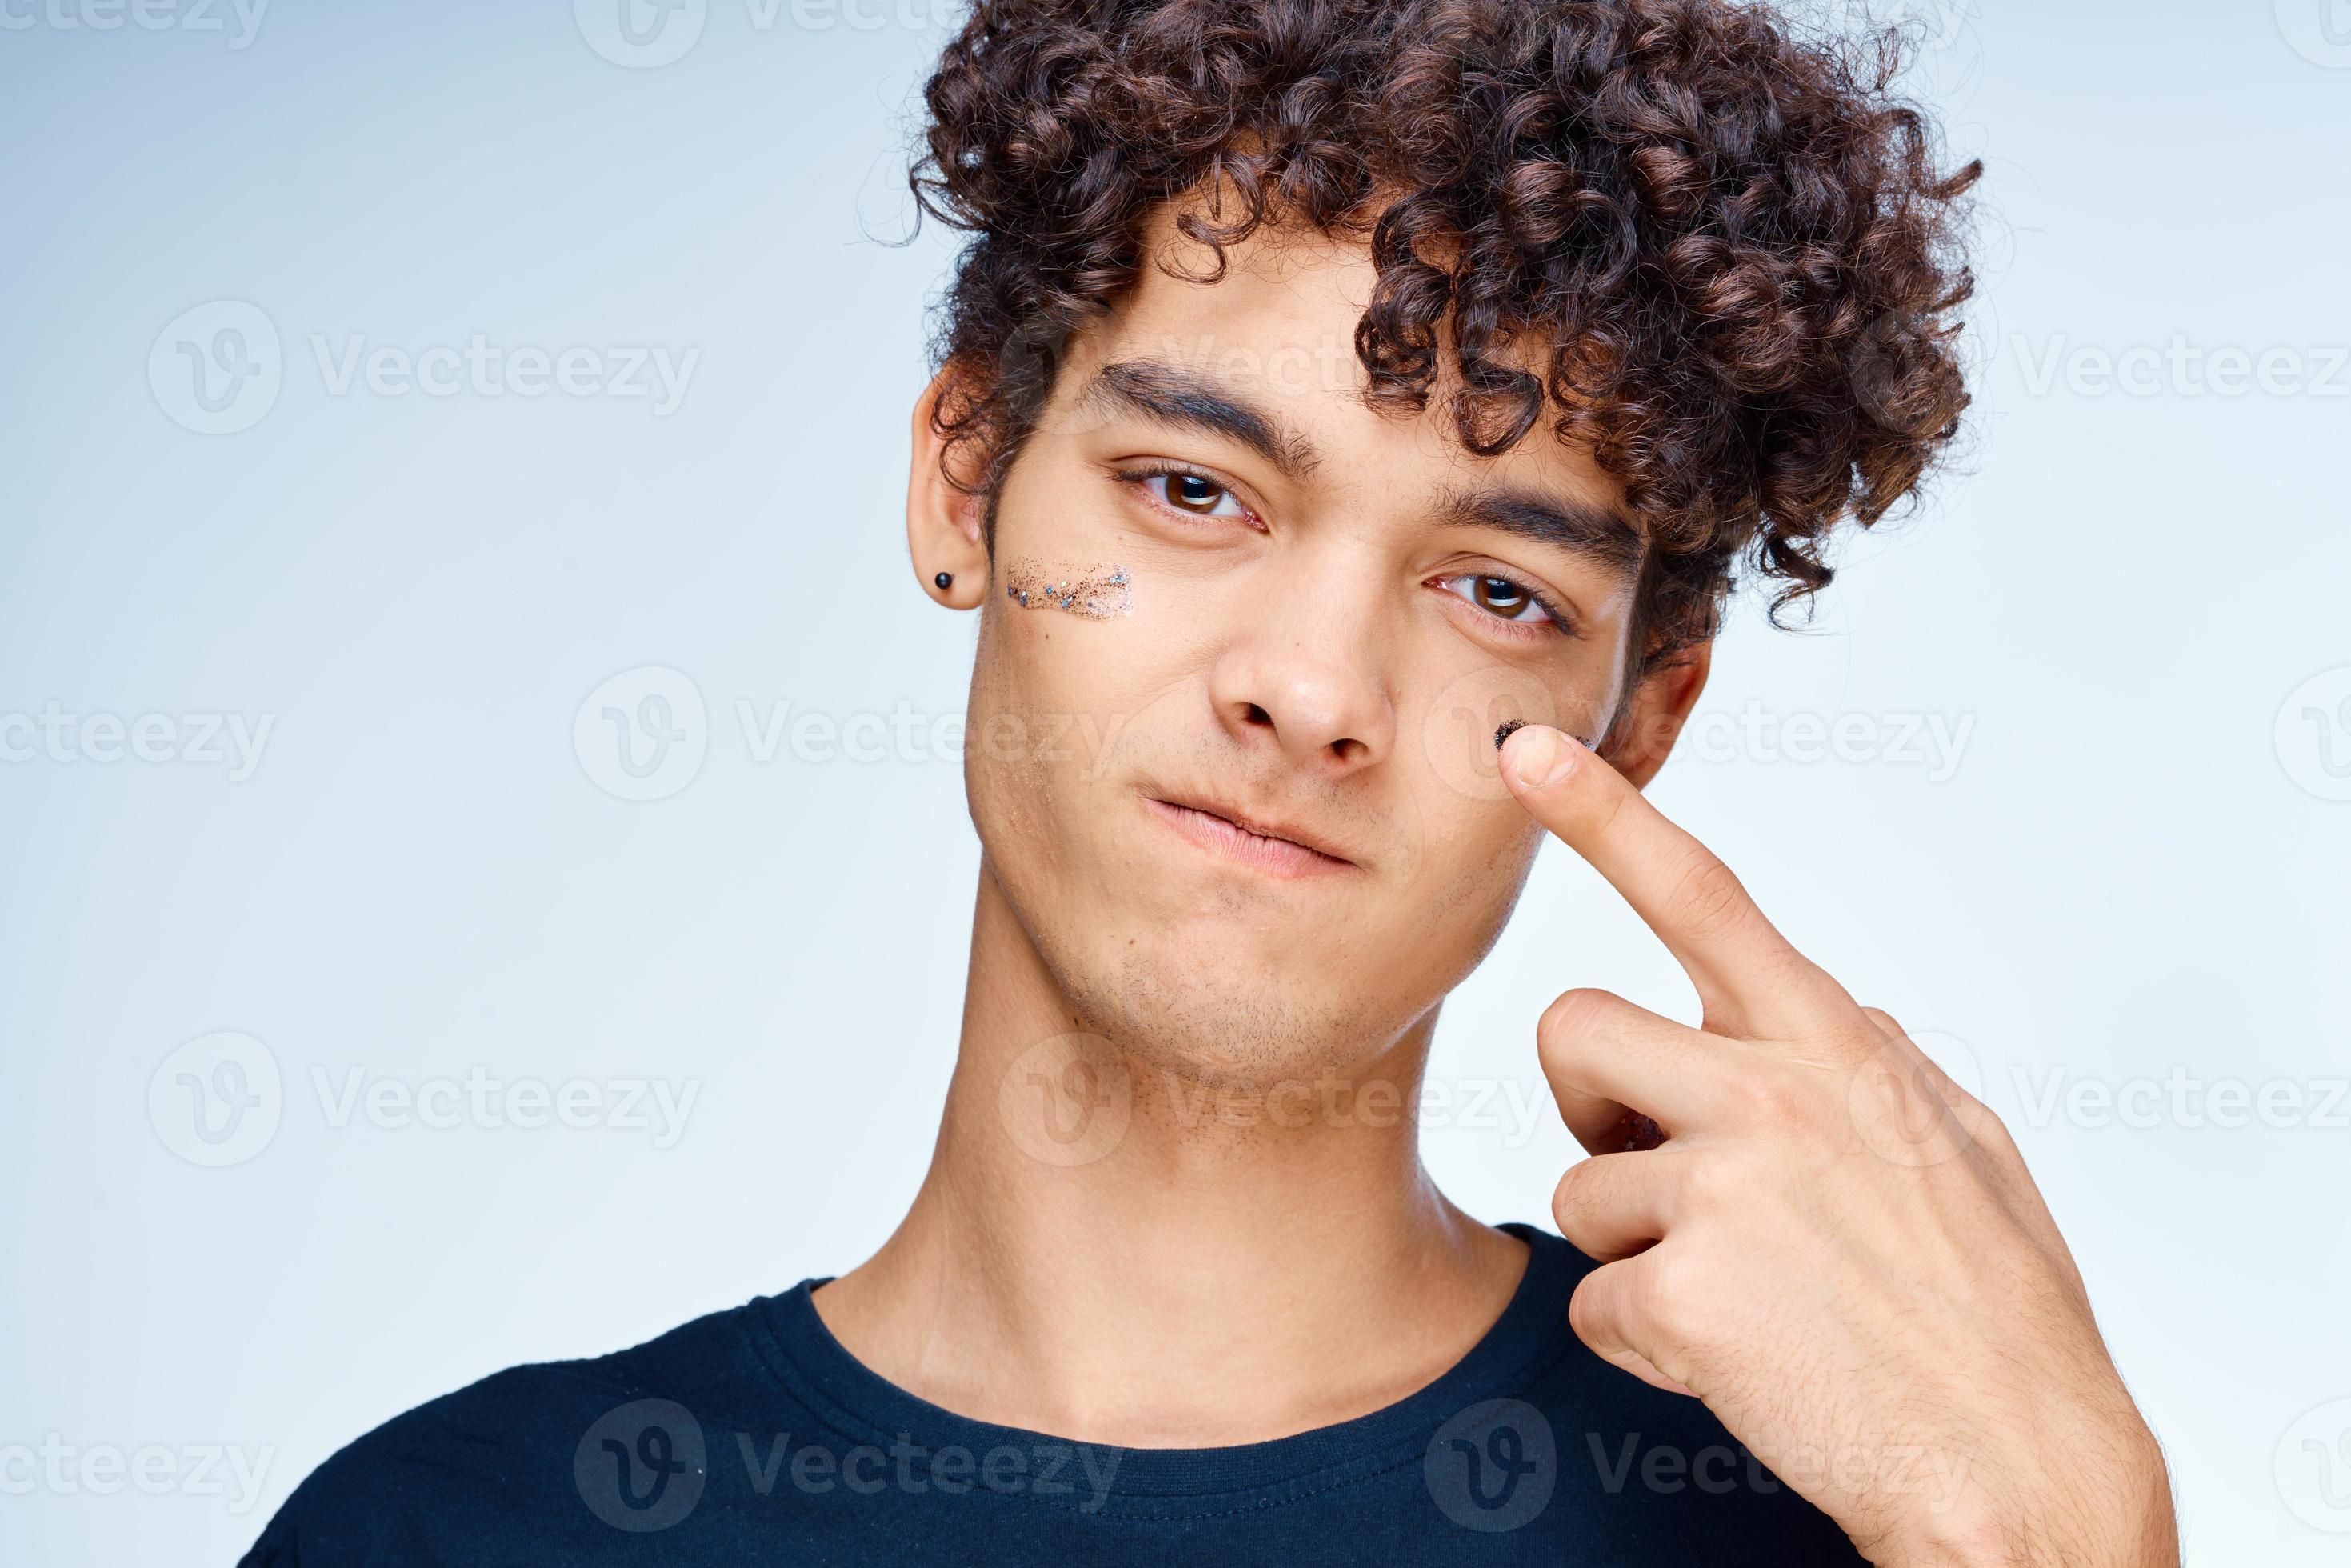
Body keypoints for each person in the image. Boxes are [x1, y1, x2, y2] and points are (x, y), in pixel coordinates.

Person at [243, 1, 2178, 1561]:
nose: (1313, 688)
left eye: (1496, 588)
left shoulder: (1857, 1524)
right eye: (1193, 491)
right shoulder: (446, 1529)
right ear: (966, 480)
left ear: (1640, 713)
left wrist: (2077, 1538)